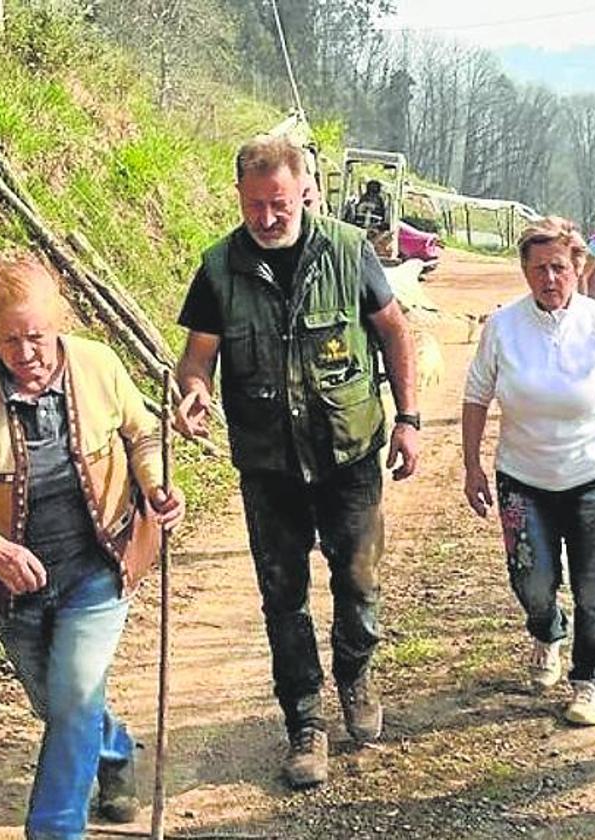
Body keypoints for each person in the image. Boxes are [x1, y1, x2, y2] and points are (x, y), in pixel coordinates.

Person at [174, 134, 419, 789]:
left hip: (350, 458)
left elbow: (393, 331)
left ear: (303, 191)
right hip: (268, 467)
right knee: (282, 602)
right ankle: (304, 725)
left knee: (358, 586)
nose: (267, 217)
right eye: (255, 205)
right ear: (239, 198)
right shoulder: (219, 268)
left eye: (278, 203)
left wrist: (410, 419)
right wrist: (193, 391)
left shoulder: (346, 249)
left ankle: (355, 674)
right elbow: (198, 355)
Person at [0, 255, 185, 840]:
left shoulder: (98, 366)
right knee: (62, 706)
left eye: (36, 336)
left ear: (60, 320)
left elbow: (142, 432)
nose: (26, 352)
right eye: (9, 340)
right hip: (12, 590)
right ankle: (112, 750)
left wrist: (156, 483)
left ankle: (54, 830)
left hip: (97, 567)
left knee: (72, 698)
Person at [462, 216, 595, 726]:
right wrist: (471, 465)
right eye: (539, 268)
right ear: (524, 271)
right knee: (533, 583)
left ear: (578, 267)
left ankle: (591, 679)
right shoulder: (503, 327)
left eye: (560, 268)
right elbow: (477, 394)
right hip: (523, 479)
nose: (550, 279)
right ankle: (546, 633)